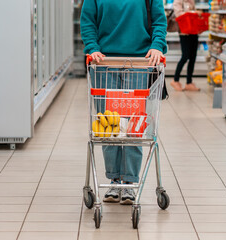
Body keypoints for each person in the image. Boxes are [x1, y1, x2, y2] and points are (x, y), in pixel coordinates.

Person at [80, 0, 167, 205]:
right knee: (108, 126)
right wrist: (92, 47)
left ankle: (129, 182)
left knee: (132, 126)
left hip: (139, 63)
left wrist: (156, 45)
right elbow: (88, 22)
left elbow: (159, 21)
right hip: (104, 64)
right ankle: (114, 179)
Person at [170, 0, 200, 91]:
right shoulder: (178, 1)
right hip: (184, 32)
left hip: (193, 31)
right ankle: (175, 80)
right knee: (185, 56)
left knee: (193, 57)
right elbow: (179, 14)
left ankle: (189, 82)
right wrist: (193, 12)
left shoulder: (192, 1)